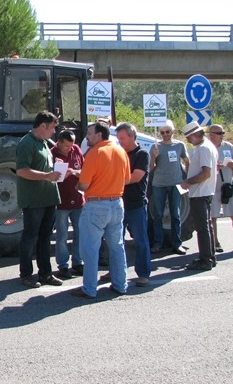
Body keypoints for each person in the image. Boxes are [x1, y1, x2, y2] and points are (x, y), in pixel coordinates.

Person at [70, 121, 130, 299]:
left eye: (89, 133)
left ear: (99, 135)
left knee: (90, 248)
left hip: (96, 205)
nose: (87, 137)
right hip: (117, 202)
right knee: (117, 246)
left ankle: (89, 288)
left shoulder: (94, 153)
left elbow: (83, 185)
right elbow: (126, 180)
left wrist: (79, 183)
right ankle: (121, 284)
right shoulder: (120, 151)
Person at [16, 111, 64, 289]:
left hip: (49, 198)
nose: (54, 132)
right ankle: (26, 274)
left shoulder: (44, 143)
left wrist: (54, 166)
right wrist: (46, 175)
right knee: (30, 237)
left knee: (45, 237)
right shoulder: (26, 143)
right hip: (34, 200)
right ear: (42, 126)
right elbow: (21, 171)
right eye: (52, 127)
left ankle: (45, 273)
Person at [115, 122, 152, 287]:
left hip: (136, 205)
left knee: (140, 240)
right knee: (116, 240)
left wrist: (113, 183)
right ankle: (117, 271)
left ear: (131, 136)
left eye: (122, 138)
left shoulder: (142, 154)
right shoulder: (120, 153)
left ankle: (143, 273)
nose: (120, 141)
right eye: (118, 138)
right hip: (119, 203)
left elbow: (136, 177)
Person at [180, 121, 218, 271]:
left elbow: (205, 173)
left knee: (202, 228)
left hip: (201, 193)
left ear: (196, 134)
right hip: (204, 192)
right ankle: (209, 257)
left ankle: (206, 259)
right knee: (206, 227)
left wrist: (188, 182)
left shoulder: (203, 149)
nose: (188, 140)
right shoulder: (207, 146)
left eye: (189, 137)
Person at [149, 120, 189, 254]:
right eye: (162, 132)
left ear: (172, 132)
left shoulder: (180, 145)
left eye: (167, 132)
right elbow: (150, 169)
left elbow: (186, 161)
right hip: (159, 184)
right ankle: (157, 243)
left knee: (176, 215)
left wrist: (187, 178)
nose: (165, 134)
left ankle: (177, 243)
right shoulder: (155, 146)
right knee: (158, 215)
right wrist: (154, 157)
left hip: (175, 184)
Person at [208, 124, 233, 254]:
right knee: (213, 215)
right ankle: (215, 242)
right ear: (211, 134)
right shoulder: (207, 147)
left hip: (229, 184)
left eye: (222, 133)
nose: (222, 135)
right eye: (219, 133)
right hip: (213, 185)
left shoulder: (228, 146)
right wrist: (215, 167)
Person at [51, 129, 85, 279]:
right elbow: (49, 177)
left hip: (77, 199)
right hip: (61, 201)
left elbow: (84, 169)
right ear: (59, 143)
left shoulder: (76, 150)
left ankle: (78, 262)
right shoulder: (52, 153)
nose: (69, 149)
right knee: (62, 235)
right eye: (66, 146)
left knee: (80, 233)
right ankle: (63, 265)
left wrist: (75, 171)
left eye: (71, 146)